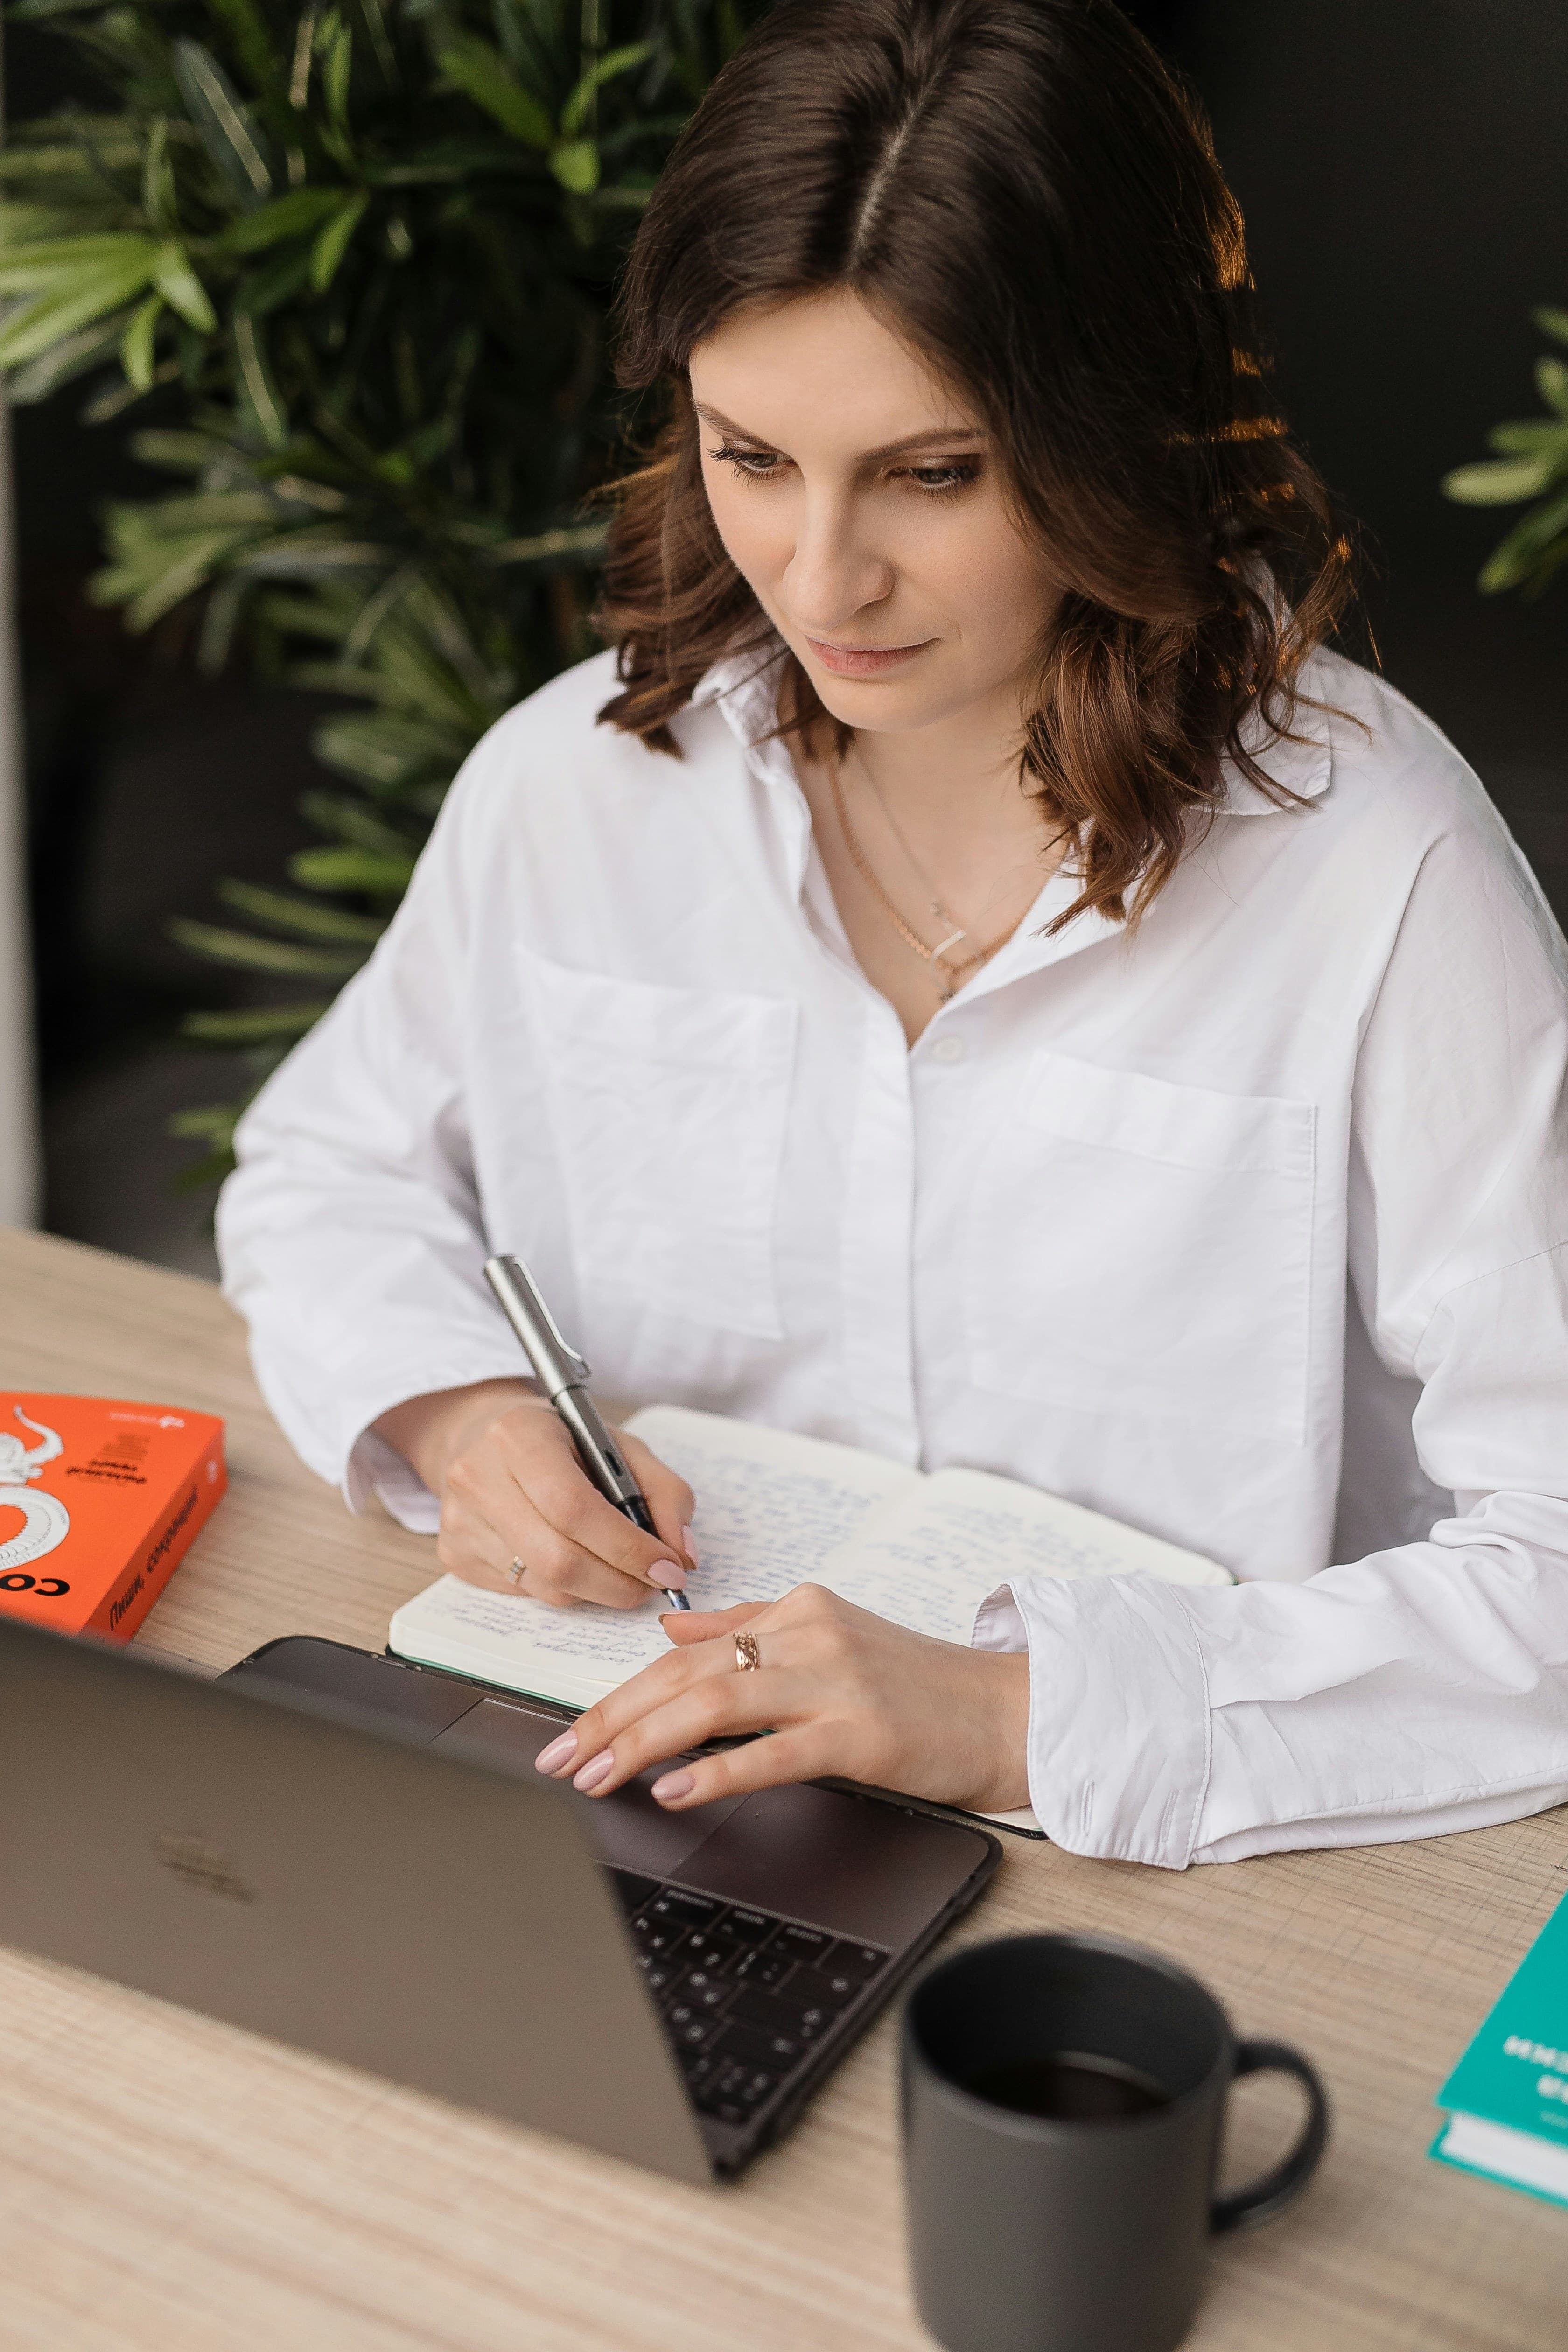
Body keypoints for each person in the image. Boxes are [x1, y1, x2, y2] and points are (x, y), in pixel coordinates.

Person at [218, 0, 1568, 1868]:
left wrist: (1011, 1716)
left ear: (1120, 434)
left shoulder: (1377, 868)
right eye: (753, 457)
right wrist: (462, 1420)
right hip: (614, 1775)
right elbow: (327, 1170)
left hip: (1178, 1865)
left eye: (932, 475)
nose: (820, 576)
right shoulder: (580, 786)